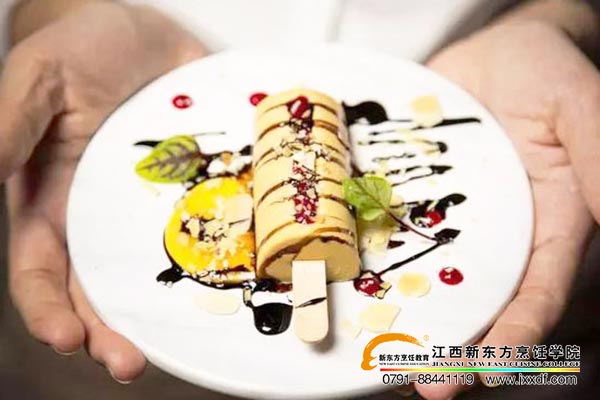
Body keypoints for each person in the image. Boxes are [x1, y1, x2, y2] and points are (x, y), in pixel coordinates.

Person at [0, 1, 598, 399]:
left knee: (539, 365)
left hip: (488, 339)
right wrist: (57, 11)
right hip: (117, 356)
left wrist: (559, 17)